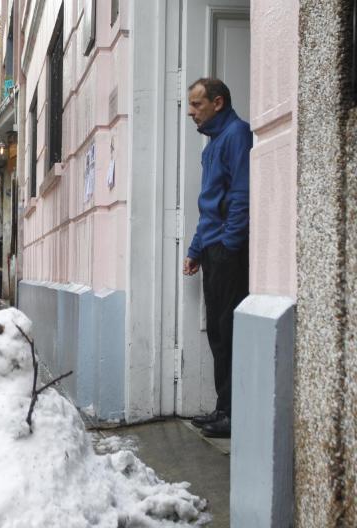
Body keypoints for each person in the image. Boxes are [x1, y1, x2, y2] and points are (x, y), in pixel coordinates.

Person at [183, 78, 251, 439]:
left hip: (227, 251)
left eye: (197, 105)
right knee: (218, 334)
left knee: (229, 330)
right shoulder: (211, 146)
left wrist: (229, 244)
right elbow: (207, 206)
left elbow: (241, 195)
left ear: (218, 103)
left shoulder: (237, 135)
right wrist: (196, 249)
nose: (191, 112)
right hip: (212, 249)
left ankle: (233, 414)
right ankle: (223, 408)